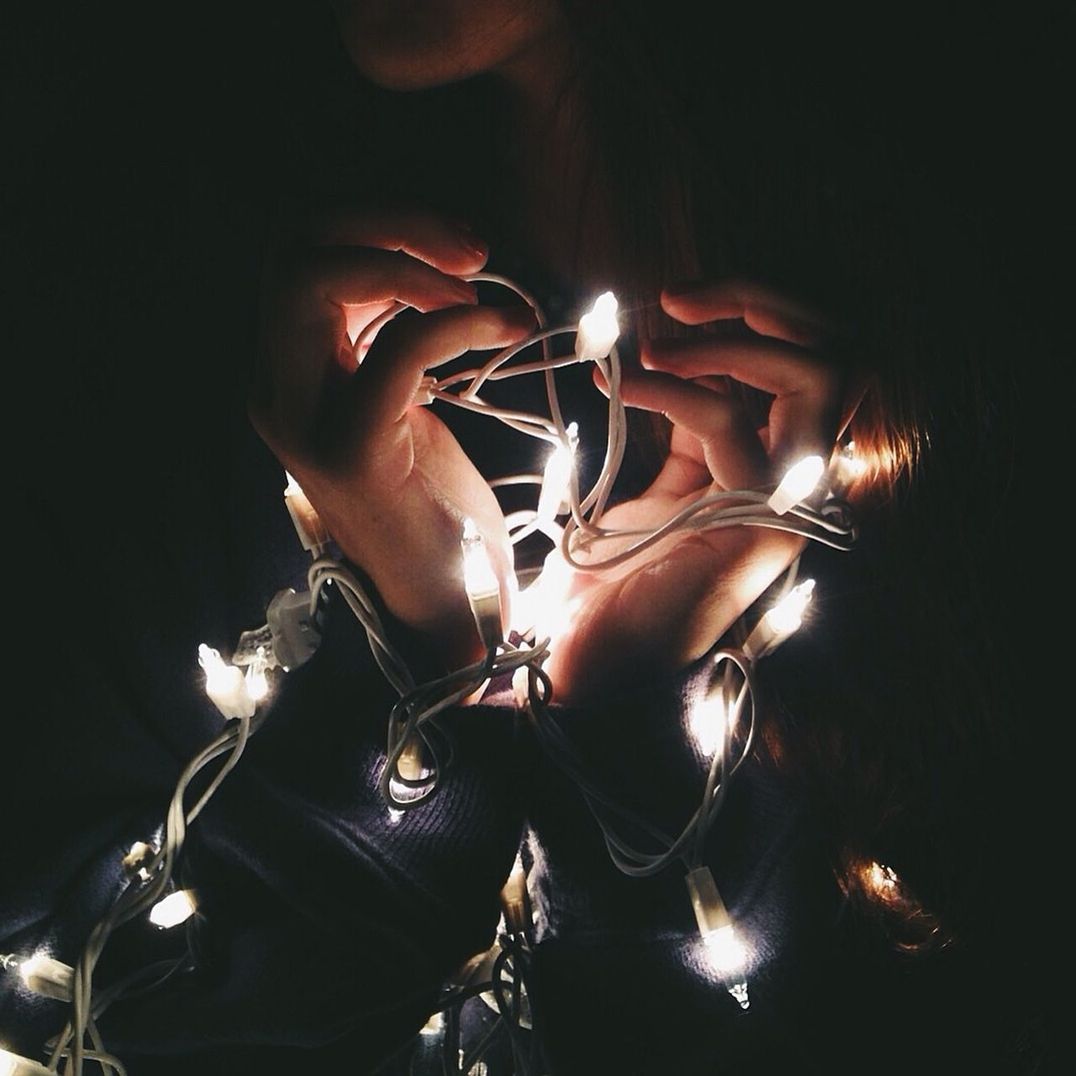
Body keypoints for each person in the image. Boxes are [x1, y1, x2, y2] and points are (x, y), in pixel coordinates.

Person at [2, 2, 1055, 1074]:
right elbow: (52, 1011)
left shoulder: (979, 447)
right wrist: (433, 693)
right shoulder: (163, 300)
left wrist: (629, 733)